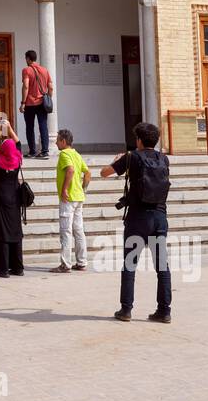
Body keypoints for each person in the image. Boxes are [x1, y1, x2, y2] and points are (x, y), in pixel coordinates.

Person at [99, 122, 171, 323]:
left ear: (139, 140)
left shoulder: (132, 158)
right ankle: (164, 311)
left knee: (130, 264)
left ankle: (126, 309)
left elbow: (104, 172)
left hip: (137, 218)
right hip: (159, 216)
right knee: (162, 266)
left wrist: (119, 161)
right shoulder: (163, 159)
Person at [0, 114, 25, 278]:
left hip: (0, 200)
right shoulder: (17, 159)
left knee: (1, 235)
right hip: (14, 200)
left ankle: (2, 269)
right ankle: (18, 268)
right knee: (15, 233)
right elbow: (19, 145)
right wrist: (10, 129)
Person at [51, 129, 90, 274]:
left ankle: (65, 264)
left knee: (66, 231)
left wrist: (65, 189)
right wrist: (83, 189)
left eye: (58, 140)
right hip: (79, 197)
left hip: (68, 199)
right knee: (78, 231)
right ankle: (82, 262)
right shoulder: (76, 154)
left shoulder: (64, 154)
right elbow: (87, 173)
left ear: (63, 141)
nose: (56, 142)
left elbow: (71, 170)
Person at [20, 50, 53, 158]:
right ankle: (44, 151)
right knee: (43, 126)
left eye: (26, 58)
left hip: (29, 103)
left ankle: (32, 151)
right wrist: (48, 98)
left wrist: (23, 103)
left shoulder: (26, 70)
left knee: (30, 127)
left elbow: (26, 86)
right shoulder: (44, 70)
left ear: (28, 58)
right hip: (42, 103)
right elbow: (51, 87)